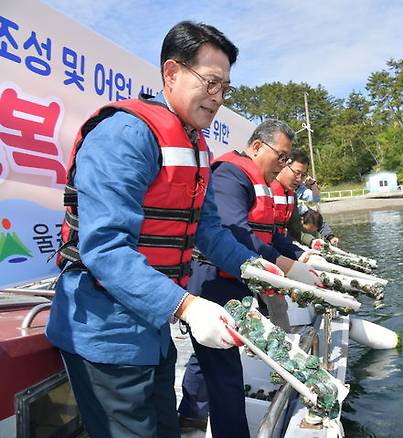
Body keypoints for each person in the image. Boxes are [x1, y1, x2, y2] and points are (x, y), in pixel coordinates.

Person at [44, 21, 270, 438]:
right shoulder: (125, 134)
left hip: (153, 331)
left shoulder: (196, 145)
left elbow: (209, 230)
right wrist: (187, 307)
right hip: (105, 335)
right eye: (211, 82)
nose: (218, 98)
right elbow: (105, 249)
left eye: (226, 88)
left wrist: (258, 269)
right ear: (172, 73)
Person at [179, 120, 322, 437]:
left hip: (238, 276)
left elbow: (269, 236)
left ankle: (189, 416)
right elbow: (233, 234)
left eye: (288, 160)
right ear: (257, 146)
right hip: (214, 279)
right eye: (281, 157)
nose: (283, 166)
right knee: (225, 372)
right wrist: (285, 267)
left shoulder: (260, 183)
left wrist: (299, 259)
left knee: (211, 358)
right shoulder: (232, 174)